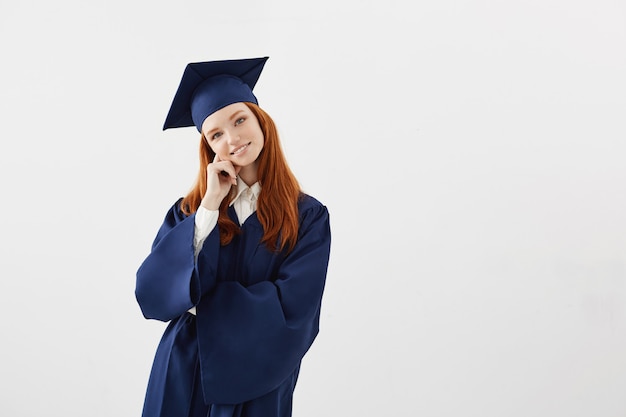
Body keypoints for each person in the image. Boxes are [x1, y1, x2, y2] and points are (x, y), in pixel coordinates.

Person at [135, 56, 332, 417]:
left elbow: (296, 308)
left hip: (259, 377)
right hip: (182, 368)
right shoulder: (189, 210)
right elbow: (153, 294)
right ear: (208, 147)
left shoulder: (308, 216)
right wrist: (210, 206)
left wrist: (200, 305)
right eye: (216, 134)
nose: (233, 139)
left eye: (240, 120)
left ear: (261, 120)